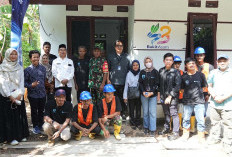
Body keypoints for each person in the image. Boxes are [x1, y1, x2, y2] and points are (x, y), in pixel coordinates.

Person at [0, 48, 29, 145]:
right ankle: (11, 138)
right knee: (10, 118)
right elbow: (3, 83)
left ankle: (21, 136)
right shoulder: (2, 68)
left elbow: (21, 81)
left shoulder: (19, 67)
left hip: (18, 94)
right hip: (6, 96)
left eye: (15, 54)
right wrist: (10, 95)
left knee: (19, 116)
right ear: (7, 55)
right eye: (11, 54)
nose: (13, 56)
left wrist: (21, 93)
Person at [207, 54, 232, 155]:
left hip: (228, 104)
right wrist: (214, 96)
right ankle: (215, 138)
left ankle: (227, 144)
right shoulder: (213, 72)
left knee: (228, 125)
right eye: (220, 61)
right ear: (217, 62)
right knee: (215, 123)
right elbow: (209, 86)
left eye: (224, 61)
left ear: (228, 61)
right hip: (214, 103)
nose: (222, 63)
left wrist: (223, 98)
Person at [181, 57, 207, 143]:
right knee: (186, 119)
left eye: (193, 63)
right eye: (189, 63)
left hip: (199, 101)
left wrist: (205, 96)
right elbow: (181, 89)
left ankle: (201, 136)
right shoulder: (183, 76)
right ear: (186, 65)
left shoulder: (201, 75)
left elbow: (204, 87)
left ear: (195, 64)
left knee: (200, 119)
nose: (191, 65)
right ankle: (185, 134)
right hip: (187, 102)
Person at [158, 53, 181, 141]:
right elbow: (159, 84)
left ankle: (176, 132)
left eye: (170, 60)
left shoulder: (176, 72)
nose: (168, 61)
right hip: (163, 97)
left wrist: (170, 96)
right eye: (167, 60)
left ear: (172, 62)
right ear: (164, 61)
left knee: (173, 113)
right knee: (166, 113)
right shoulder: (161, 70)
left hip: (173, 98)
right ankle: (166, 128)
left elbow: (177, 86)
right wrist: (159, 95)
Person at [24, 50, 46, 134]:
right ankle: (35, 126)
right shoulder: (27, 70)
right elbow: (24, 83)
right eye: (34, 57)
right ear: (30, 58)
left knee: (41, 110)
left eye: (37, 57)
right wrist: (31, 85)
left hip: (42, 94)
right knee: (34, 111)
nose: (36, 59)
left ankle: (41, 125)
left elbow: (44, 80)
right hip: (33, 95)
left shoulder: (43, 68)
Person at [107, 40, 130, 119]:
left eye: (121, 46)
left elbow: (129, 69)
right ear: (115, 47)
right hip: (113, 82)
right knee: (114, 99)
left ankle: (123, 113)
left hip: (124, 82)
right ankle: (114, 113)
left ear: (123, 47)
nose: (119, 47)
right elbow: (108, 69)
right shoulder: (110, 56)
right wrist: (108, 80)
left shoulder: (127, 56)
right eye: (117, 46)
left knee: (123, 99)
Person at [193, 47, 214, 133]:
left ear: (204, 55)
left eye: (201, 55)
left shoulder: (209, 67)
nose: (199, 57)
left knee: (203, 111)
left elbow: (212, 81)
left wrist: (209, 94)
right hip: (194, 92)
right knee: (194, 110)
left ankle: (202, 129)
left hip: (205, 93)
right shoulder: (192, 65)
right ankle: (193, 127)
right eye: (197, 55)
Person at [138, 57, 159, 136]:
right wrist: (143, 91)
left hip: (153, 96)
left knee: (152, 113)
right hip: (144, 95)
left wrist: (152, 92)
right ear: (144, 63)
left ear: (152, 62)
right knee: (145, 112)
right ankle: (146, 127)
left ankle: (152, 129)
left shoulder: (155, 72)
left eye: (150, 61)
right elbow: (140, 83)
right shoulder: (142, 72)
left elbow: (157, 84)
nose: (148, 63)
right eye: (146, 62)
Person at [123, 60, 141, 127]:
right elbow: (126, 85)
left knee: (138, 109)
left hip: (138, 94)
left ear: (139, 66)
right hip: (130, 94)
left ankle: (138, 123)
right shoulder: (129, 73)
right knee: (131, 109)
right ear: (132, 66)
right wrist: (125, 97)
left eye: (137, 65)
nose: (135, 66)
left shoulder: (141, 73)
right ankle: (132, 123)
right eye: (134, 65)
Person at [173, 55, 184, 130]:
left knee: (179, 110)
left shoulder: (182, 72)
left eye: (178, 63)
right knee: (172, 111)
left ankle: (179, 125)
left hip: (180, 96)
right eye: (175, 63)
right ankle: (171, 126)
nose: (177, 65)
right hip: (172, 95)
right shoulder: (170, 72)